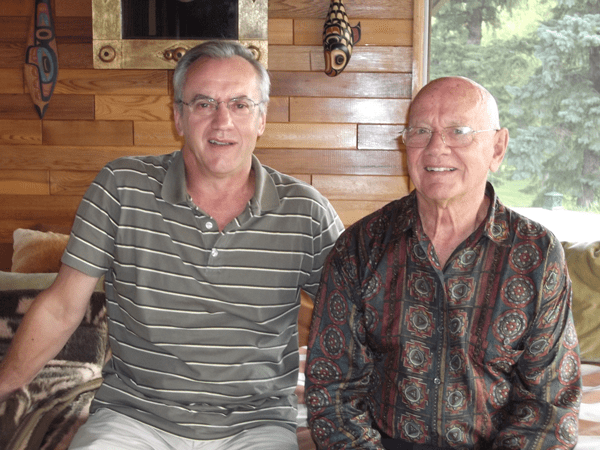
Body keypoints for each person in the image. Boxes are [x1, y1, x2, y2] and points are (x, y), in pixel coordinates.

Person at [0, 41, 344, 449]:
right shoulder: (120, 188)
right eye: (203, 104)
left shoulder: (305, 211)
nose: (222, 122)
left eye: (239, 104)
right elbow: (60, 309)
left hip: (257, 426)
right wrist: (4, 384)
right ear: (178, 116)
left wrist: (338, 420)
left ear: (262, 118)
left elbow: (355, 321)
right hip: (133, 419)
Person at [305, 76, 582, 450]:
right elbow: (332, 390)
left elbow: (549, 407)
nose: (436, 148)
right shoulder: (359, 247)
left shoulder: (536, 255)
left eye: (459, 131)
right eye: (420, 131)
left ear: (497, 148)